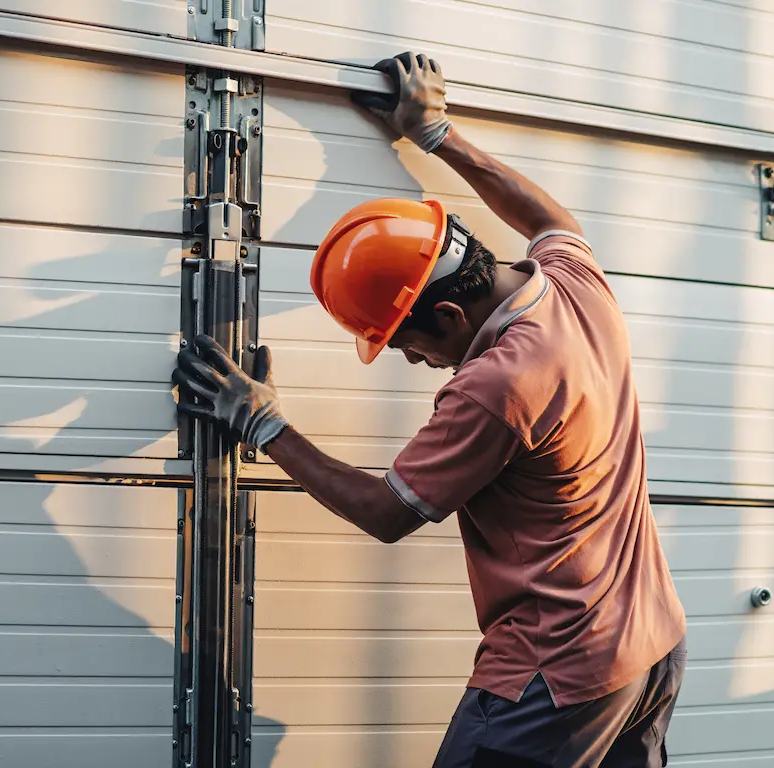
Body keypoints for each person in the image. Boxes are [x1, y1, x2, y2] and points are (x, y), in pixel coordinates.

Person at [173, 51, 687, 767]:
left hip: (556, 675)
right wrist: (436, 133)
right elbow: (545, 215)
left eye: (406, 345)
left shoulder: (496, 384)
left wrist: (265, 423)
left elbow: (386, 512)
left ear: (449, 316)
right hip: (651, 646)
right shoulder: (575, 284)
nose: (414, 361)